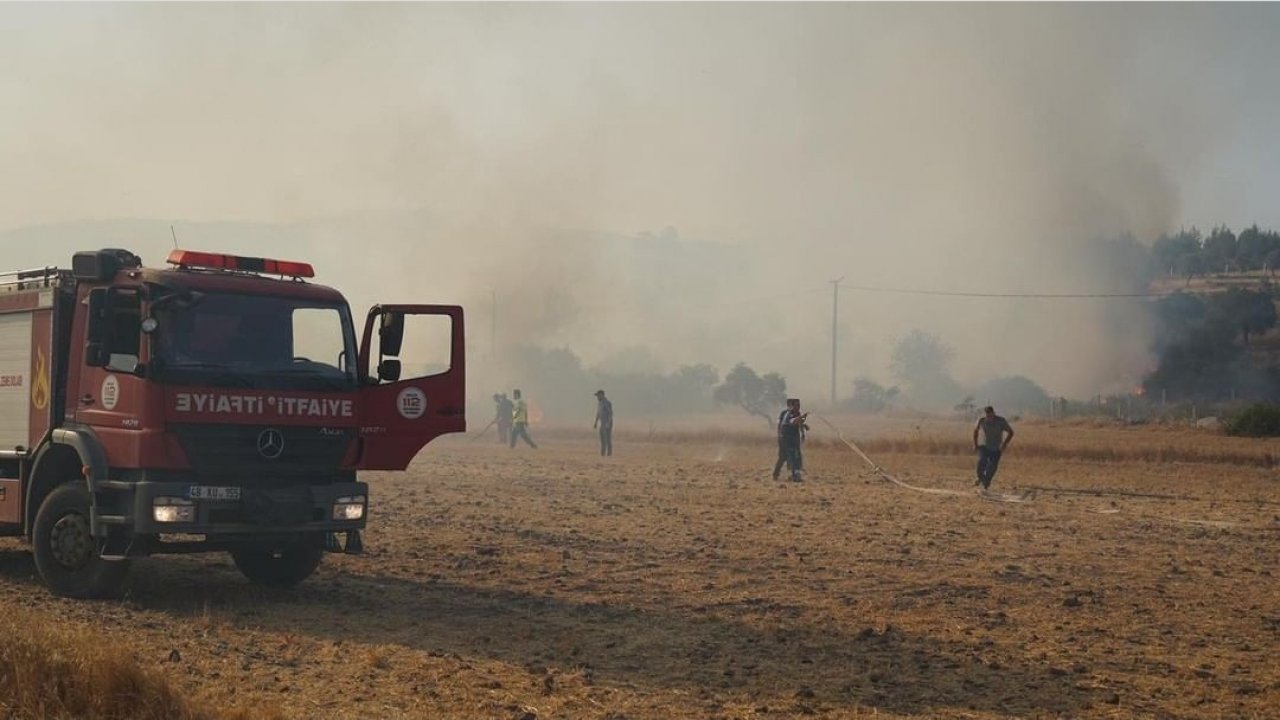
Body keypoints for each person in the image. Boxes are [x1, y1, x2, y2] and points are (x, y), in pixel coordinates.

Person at [973, 405, 1014, 490]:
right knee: (981, 464)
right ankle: (981, 478)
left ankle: (986, 484)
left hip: (996, 448)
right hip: (984, 446)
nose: (989, 417)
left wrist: (1004, 444)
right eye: (987, 416)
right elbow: (975, 431)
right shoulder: (981, 421)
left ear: (994, 413)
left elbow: (1011, 432)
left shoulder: (1001, 421)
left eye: (991, 415)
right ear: (985, 415)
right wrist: (975, 444)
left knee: (992, 467)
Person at [772, 398, 808, 482]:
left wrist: (803, 430)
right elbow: (792, 421)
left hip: (792, 438)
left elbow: (799, 422)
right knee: (788, 456)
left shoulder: (797, 413)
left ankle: (793, 474)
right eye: (797, 405)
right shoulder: (788, 414)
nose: (798, 407)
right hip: (786, 439)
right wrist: (801, 417)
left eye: (799, 405)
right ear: (792, 405)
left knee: (792, 456)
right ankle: (791, 475)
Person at [593, 389, 614, 456]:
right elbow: (598, 413)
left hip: (607, 423)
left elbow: (610, 413)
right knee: (602, 438)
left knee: (607, 438)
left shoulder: (607, 403)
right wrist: (596, 422)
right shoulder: (600, 403)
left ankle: (609, 454)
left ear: (602, 395)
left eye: (598, 395)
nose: (597, 397)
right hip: (602, 423)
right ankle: (603, 454)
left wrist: (608, 423)